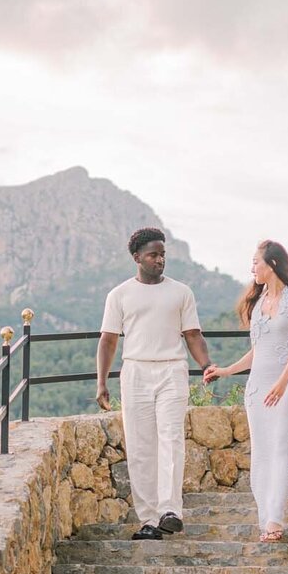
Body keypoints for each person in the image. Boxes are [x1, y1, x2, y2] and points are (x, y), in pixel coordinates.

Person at [96, 227, 212, 540]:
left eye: (162, 254)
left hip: (173, 371)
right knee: (140, 446)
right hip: (135, 372)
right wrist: (102, 383)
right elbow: (107, 341)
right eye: (153, 255)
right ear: (137, 258)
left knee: (171, 438)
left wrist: (207, 365)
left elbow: (193, 335)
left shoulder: (181, 292)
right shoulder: (119, 295)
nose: (160, 260)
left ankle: (170, 511)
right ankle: (148, 520)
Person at [204, 241, 288, 543]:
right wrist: (225, 370)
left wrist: (281, 382)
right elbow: (257, 352)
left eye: (256, 262)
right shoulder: (255, 304)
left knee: (281, 449)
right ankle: (265, 519)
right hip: (258, 387)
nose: (252, 268)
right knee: (261, 454)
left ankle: (276, 520)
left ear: (272, 264)